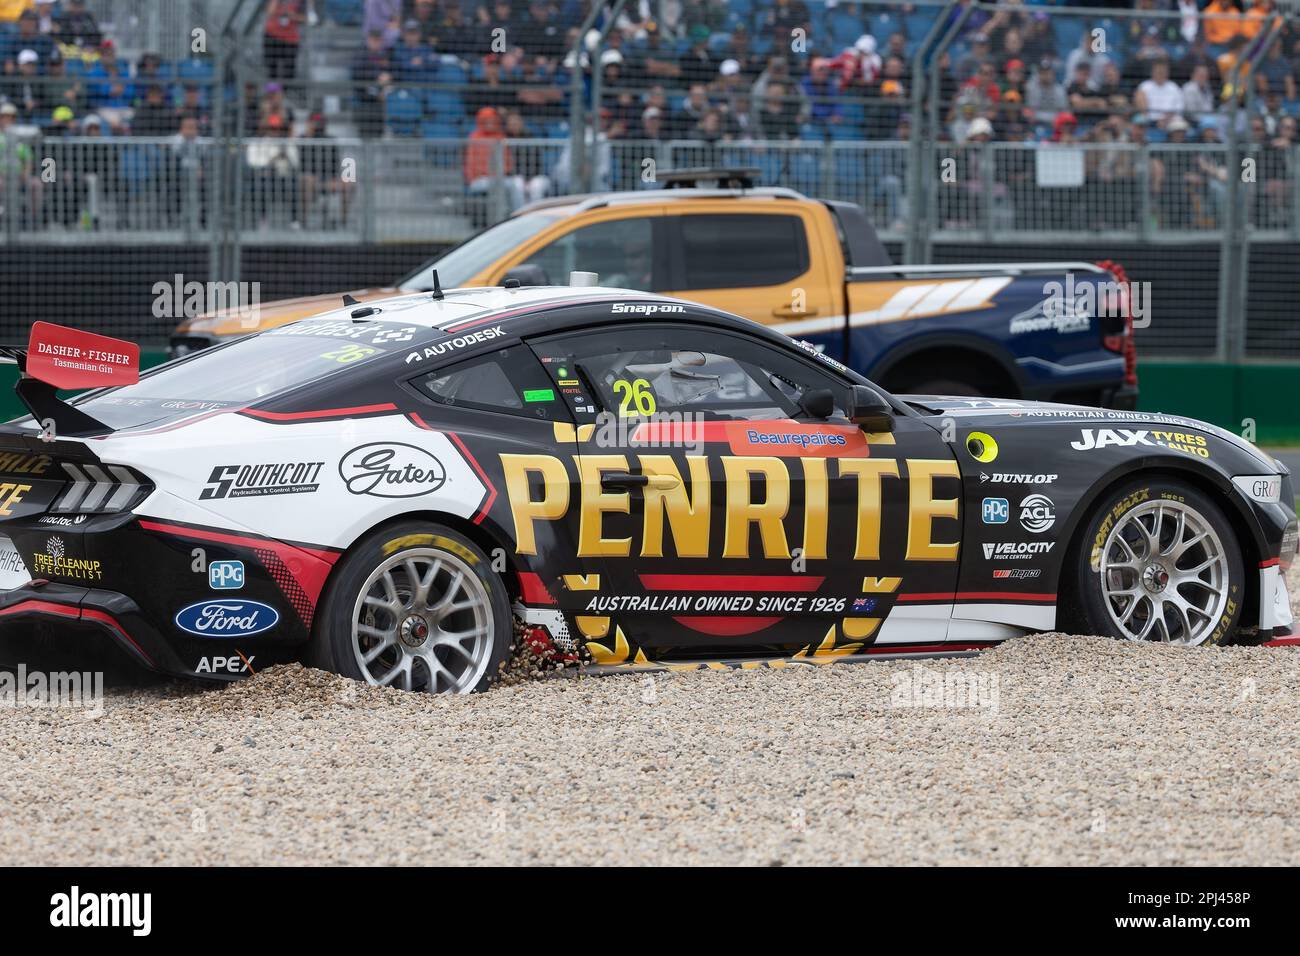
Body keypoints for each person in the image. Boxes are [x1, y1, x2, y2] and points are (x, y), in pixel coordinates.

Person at [263, 0, 305, 82]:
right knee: (272, 71)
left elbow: (307, 18)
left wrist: (293, 16)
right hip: (272, 35)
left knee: (289, 72)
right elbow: (269, 12)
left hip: (290, 39)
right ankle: (274, 92)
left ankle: (285, 93)